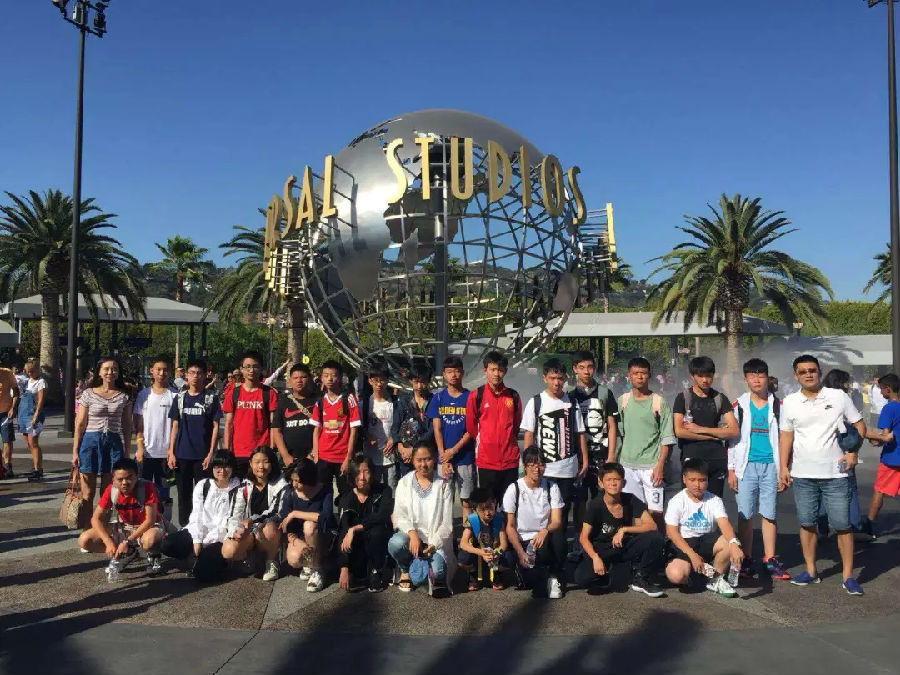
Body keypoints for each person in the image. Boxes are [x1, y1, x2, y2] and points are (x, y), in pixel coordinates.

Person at [779, 354, 867, 595]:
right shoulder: (790, 402)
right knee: (807, 523)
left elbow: (860, 425)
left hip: (836, 475)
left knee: (843, 526)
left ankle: (848, 577)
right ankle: (810, 571)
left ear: (819, 371)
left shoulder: (838, 396)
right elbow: (786, 435)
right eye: (803, 371)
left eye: (812, 370)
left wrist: (853, 452)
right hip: (803, 475)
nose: (808, 374)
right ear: (796, 375)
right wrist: (783, 467)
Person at [727, 358, 789, 580]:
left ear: (767, 378)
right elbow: (732, 440)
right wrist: (731, 470)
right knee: (745, 514)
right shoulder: (738, 406)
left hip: (771, 465)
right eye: (752, 376)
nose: (756, 380)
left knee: (769, 514)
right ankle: (746, 558)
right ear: (745, 380)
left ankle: (770, 559)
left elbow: (785, 439)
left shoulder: (779, 406)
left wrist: (784, 469)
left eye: (760, 375)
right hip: (745, 466)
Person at [575, 462, 666, 597]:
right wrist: (595, 557)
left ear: (623, 483)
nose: (613, 483)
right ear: (601, 483)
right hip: (601, 549)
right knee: (582, 579)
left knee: (655, 537)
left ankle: (641, 577)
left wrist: (624, 530)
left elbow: (652, 526)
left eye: (617, 479)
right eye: (608, 480)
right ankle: (608, 572)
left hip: (622, 545)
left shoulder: (630, 499)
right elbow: (583, 537)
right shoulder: (595, 505)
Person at [521, 358, 588, 539]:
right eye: (552, 378)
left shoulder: (571, 402)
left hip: (567, 469)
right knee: (543, 510)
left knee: (564, 511)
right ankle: (543, 547)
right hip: (544, 468)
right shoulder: (536, 402)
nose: (556, 382)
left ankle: (560, 547)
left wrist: (584, 460)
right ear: (544, 378)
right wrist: (528, 464)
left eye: (560, 378)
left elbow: (580, 433)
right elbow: (529, 434)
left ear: (565, 378)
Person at [664, 458, 743, 598]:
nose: (697, 485)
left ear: (707, 480)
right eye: (692, 480)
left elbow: (724, 523)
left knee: (729, 541)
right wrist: (692, 555)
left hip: (707, 541)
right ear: (684, 479)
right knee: (676, 575)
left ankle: (715, 578)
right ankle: (693, 573)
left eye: (702, 480)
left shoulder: (714, 500)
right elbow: (671, 533)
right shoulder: (677, 501)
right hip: (685, 543)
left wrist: (734, 544)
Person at [160, 450, 240, 582]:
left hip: (220, 537)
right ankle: (193, 555)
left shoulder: (239, 487)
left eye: (226, 466)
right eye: (218, 466)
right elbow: (197, 515)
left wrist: (206, 544)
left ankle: (218, 561)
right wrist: (197, 540)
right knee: (167, 544)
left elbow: (230, 520)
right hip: (197, 530)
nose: (222, 471)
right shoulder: (203, 485)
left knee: (202, 574)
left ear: (232, 467)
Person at [77, 457, 165, 577]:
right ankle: (129, 553)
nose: (125, 482)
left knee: (150, 540)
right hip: (124, 526)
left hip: (148, 526)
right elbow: (96, 518)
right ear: (113, 479)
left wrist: (127, 541)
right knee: (84, 541)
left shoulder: (146, 487)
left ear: (136, 477)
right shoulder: (111, 490)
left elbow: (150, 520)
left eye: (129, 478)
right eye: (120, 479)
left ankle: (154, 555)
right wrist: (108, 541)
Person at [616, 357, 676, 528]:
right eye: (635, 373)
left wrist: (660, 465)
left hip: (652, 466)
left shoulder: (659, 402)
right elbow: (619, 434)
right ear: (629, 376)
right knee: (634, 512)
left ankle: (660, 541)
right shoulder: (623, 401)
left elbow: (667, 437)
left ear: (649, 375)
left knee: (656, 512)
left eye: (643, 373)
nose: (639, 377)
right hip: (628, 466)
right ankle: (638, 542)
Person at [389, 443, 455, 596]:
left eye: (428, 459)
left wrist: (433, 544)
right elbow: (399, 515)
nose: (423, 465)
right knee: (395, 543)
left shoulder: (443, 485)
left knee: (437, 572)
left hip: (433, 542)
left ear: (434, 459)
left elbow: (447, 525)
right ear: (413, 461)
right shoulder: (404, 483)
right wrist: (412, 534)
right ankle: (405, 568)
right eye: (419, 460)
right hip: (410, 539)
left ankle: (418, 566)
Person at [503, 446, 567, 599]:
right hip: (524, 541)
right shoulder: (514, 489)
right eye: (532, 465)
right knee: (533, 584)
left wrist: (545, 531)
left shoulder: (552, 487)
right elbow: (509, 526)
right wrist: (520, 552)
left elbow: (557, 521)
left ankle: (554, 576)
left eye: (540, 465)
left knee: (559, 536)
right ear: (525, 466)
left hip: (543, 537)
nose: (537, 469)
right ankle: (539, 575)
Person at [167, 359, 223, 526]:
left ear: (205, 375)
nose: (195, 376)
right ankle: (185, 528)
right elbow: (174, 425)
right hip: (182, 454)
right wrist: (171, 452)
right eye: (192, 373)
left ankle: (203, 528)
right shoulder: (180, 398)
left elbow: (215, 427)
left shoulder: (211, 398)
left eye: (199, 373)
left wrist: (211, 453)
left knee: (204, 496)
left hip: (203, 457)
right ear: (186, 375)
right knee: (183, 495)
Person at [72, 357, 133, 511]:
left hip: (113, 443)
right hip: (90, 442)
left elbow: (127, 425)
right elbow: (80, 423)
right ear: (99, 372)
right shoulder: (88, 394)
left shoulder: (124, 396)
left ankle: (102, 524)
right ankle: (87, 524)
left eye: (114, 369)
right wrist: (75, 451)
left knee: (108, 493)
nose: (110, 372)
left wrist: (127, 450)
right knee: (88, 493)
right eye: (106, 369)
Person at [223, 446, 289, 582]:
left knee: (270, 527)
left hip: (268, 530)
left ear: (272, 463)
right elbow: (234, 514)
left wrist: (252, 520)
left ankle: (272, 561)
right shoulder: (244, 486)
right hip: (250, 531)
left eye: (265, 461)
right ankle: (251, 557)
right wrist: (236, 531)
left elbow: (276, 511)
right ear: (250, 463)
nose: (261, 466)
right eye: (257, 462)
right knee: (228, 550)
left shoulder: (281, 484)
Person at [466, 351, 522, 504]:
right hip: (486, 461)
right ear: (485, 370)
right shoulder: (476, 395)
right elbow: (471, 426)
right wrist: (486, 440)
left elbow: (516, 425)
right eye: (493, 369)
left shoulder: (513, 396)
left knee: (509, 506)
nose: (496, 374)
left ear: (505, 371)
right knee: (487, 506)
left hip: (510, 461)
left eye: (500, 370)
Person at [568, 350, 618, 516]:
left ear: (594, 368)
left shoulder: (605, 392)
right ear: (575, 369)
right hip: (578, 457)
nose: (586, 371)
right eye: (582, 367)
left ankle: (601, 530)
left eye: (590, 367)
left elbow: (612, 426)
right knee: (579, 500)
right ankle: (580, 531)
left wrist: (611, 456)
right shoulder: (569, 394)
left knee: (603, 498)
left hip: (601, 455)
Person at [818, 369, 865, 536]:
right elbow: (857, 426)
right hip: (842, 452)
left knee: (822, 490)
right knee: (849, 490)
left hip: (820, 453)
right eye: (846, 381)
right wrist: (854, 450)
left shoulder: (818, 398)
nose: (848, 385)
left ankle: (821, 528)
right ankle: (855, 527)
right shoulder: (842, 398)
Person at [337, 454, 394, 592]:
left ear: (372, 473)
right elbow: (343, 530)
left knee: (376, 531)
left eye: (366, 471)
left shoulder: (384, 490)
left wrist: (355, 528)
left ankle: (376, 571)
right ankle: (356, 570)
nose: (362, 477)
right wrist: (344, 567)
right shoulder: (346, 498)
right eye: (357, 472)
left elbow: (382, 516)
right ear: (352, 475)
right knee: (352, 582)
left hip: (377, 542)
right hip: (357, 545)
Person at [428, 356, 475, 518]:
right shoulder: (438, 398)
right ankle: (446, 533)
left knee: (466, 501)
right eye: (449, 372)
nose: (453, 375)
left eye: (457, 371)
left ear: (462, 372)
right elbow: (437, 429)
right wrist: (444, 457)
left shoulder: (470, 398)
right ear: (444, 374)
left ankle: (467, 531)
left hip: (465, 457)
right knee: (444, 499)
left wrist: (453, 451)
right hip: (444, 459)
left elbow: (471, 430)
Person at [281, 457, 334, 592]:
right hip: (299, 536)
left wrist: (295, 513)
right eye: (293, 480)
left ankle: (317, 569)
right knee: (294, 560)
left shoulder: (325, 489)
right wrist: (295, 540)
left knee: (309, 526)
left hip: (321, 534)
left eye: (298, 481)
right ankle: (308, 562)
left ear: (309, 478)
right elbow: (284, 521)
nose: (294, 484)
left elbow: (325, 517)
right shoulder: (290, 492)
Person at [222, 350, 278, 479]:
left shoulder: (269, 393)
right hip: (238, 452)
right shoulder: (233, 393)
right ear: (241, 369)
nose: (251, 370)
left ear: (261, 369)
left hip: (261, 452)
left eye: (255, 366)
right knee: (239, 489)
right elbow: (228, 424)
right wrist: (227, 450)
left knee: (261, 488)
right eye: (247, 367)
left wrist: (272, 448)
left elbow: (273, 424)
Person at [133, 357, 177, 519]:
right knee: (142, 493)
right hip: (145, 454)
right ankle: (142, 525)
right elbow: (138, 425)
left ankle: (163, 526)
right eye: (158, 369)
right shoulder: (144, 395)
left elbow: (176, 426)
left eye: (165, 370)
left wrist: (172, 451)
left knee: (163, 495)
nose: (161, 373)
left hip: (165, 455)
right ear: (152, 371)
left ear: (170, 372)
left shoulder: (175, 396)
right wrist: (139, 447)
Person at [310, 360, 361, 496]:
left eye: (333, 375)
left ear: (340, 378)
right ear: (321, 378)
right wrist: (316, 455)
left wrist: (348, 457)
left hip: (342, 457)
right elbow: (316, 430)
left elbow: (354, 430)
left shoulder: (349, 399)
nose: (330, 379)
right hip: (323, 457)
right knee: (322, 495)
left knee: (346, 495)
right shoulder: (320, 401)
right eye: (326, 375)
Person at [863, 373, 900, 539]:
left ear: (887, 389)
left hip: (892, 457)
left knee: (879, 490)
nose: (880, 393)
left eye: (880, 389)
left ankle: (869, 525)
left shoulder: (889, 408)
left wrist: (873, 439)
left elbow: (885, 434)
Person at [457, 486, 509, 591]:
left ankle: (496, 574)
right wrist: (481, 552)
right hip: (478, 554)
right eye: (482, 509)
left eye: (490, 507)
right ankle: (473, 574)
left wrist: (496, 553)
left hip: (494, 553)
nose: (487, 513)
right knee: (462, 558)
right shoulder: (472, 520)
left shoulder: (499, 519)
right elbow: (463, 543)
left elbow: (504, 544)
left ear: (495, 502)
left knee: (510, 558)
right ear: (475, 509)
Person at [391, 363, 434, 480]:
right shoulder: (403, 401)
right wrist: (400, 446)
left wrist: (414, 450)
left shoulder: (434, 401)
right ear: (410, 381)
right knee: (408, 485)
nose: (419, 386)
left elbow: (432, 430)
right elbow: (395, 426)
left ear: (428, 381)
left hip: (426, 455)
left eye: (423, 382)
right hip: (406, 456)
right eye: (416, 382)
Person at [271, 363, 319, 466]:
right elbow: (276, 430)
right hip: (289, 459)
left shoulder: (318, 401)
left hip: (314, 458)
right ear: (290, 381)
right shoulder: (283, 401)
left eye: (303, 377)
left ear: (310, 379)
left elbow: (323, 430)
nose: (299, 381)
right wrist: (285, 456)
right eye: (295, 378)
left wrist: (313, 453)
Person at [362, 363, 397, 488]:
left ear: (387, 381)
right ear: (370, 381)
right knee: (373, 491)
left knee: (391, 491)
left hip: (390, 458)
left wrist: (394, 439)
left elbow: (400, 425)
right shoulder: (364, 404)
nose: (379, 384)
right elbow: (358, 427)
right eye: (375, 380)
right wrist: (367, 435)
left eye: (382, 380)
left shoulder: (395, 403)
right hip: (371, 458)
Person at [18, 359, 46, 482]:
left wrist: (35, 416)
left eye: (32, 371)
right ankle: (36, 466)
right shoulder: (27, 381)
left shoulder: (41, 382)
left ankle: (38, 469)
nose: (30, 373)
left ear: (37, 370)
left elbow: (40, 401)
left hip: (33, 414)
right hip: (23, 413)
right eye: (28, 371)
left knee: (33, 442)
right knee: (29, 443)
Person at [0, 360, 18, 479]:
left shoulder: (7, 373)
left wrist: (13, 408)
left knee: (7, 440)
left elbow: (16, 392)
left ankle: (7, 466)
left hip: (5, 412)